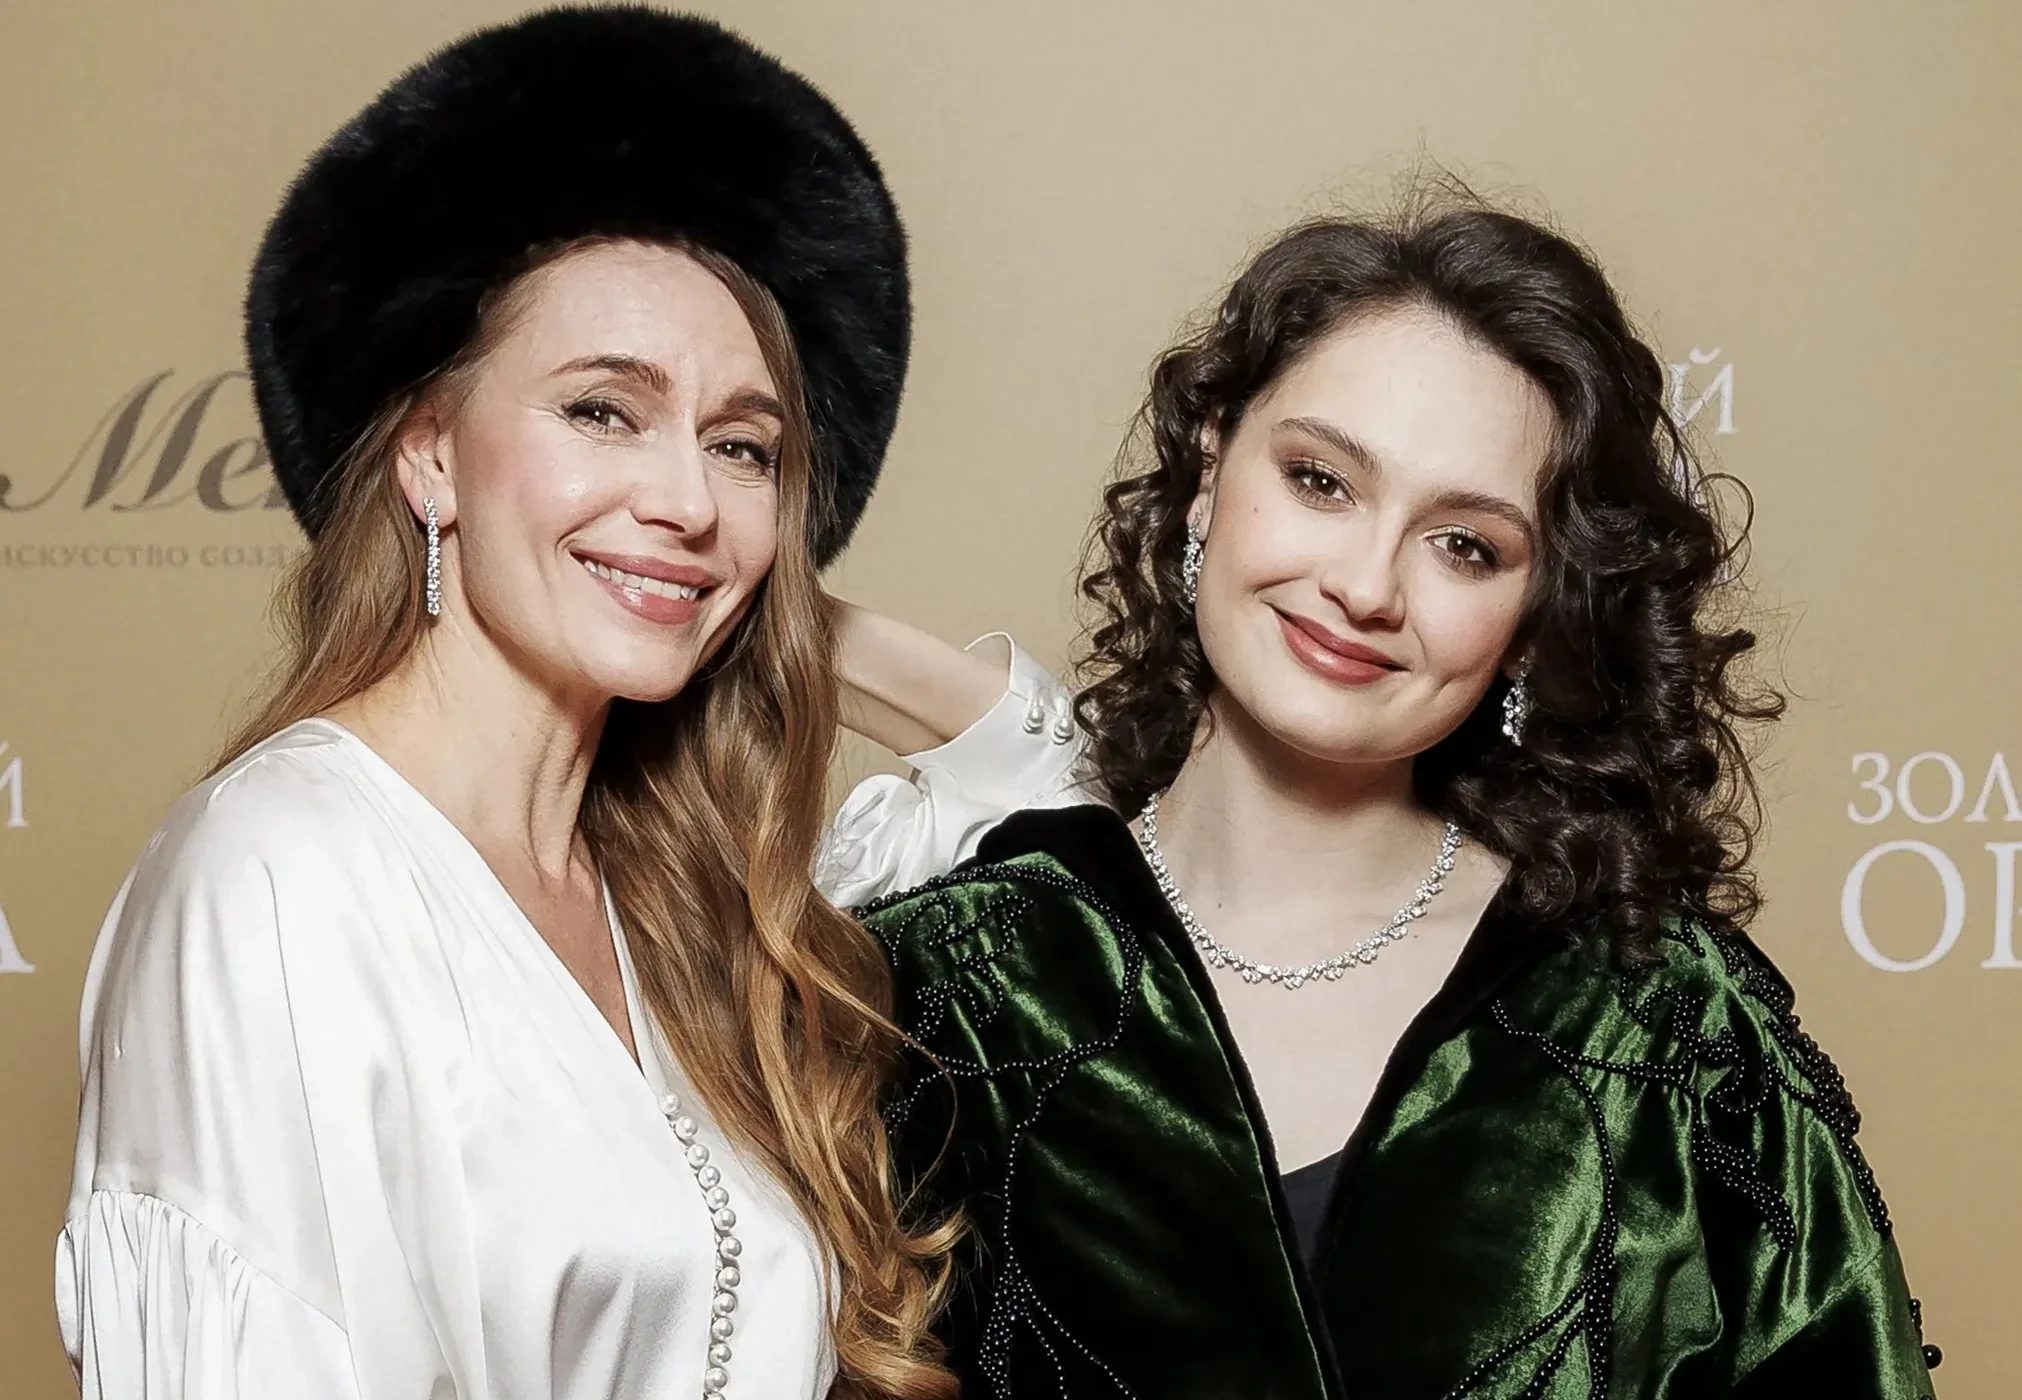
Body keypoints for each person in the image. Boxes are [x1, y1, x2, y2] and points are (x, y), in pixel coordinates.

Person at [820, 197, 1942, 1397]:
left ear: (1533, 619)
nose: (1366, 585)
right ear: (1210, 472)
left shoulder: (1667, 1034)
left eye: (1466, 545)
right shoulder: (935, 994)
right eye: (1321, 480)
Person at [57, 11, 953, 1399]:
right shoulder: (278, 878)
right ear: (430, 454)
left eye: (742, 447)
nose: (685, 497)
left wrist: (777, 606)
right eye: (602, 411)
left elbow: (1060, 794)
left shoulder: (679, 895)